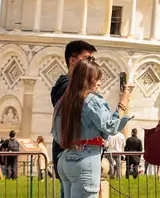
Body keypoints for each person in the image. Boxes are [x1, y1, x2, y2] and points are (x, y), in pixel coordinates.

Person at [53, 58, 132, 198]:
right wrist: (122, 104)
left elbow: (56, 134)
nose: (99, 83)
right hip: (85, 159)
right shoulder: (91, 100)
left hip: (65, 159)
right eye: (97, 79)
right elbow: (111, 127)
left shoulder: (62, 101)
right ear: (88, 79)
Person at [52, 41, 97, 180]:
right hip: (71, 154)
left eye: (93, 59)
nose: (91, 63)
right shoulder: (66, 86)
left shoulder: (68, 85)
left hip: (72, 153)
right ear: (72, 60)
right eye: (87, 59)